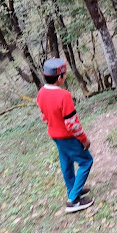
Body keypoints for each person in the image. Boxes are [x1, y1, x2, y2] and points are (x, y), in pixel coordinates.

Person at [36, 58, 94, 213]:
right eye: (64, 74)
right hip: (68, 137)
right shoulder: (64, 96)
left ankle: (73, 189)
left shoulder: (41, 93)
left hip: (55, 136)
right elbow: (72, 124)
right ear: (60, 77)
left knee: (66, 163)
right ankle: (73, 200)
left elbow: (44, 116)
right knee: (86, 161)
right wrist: (84, 140)